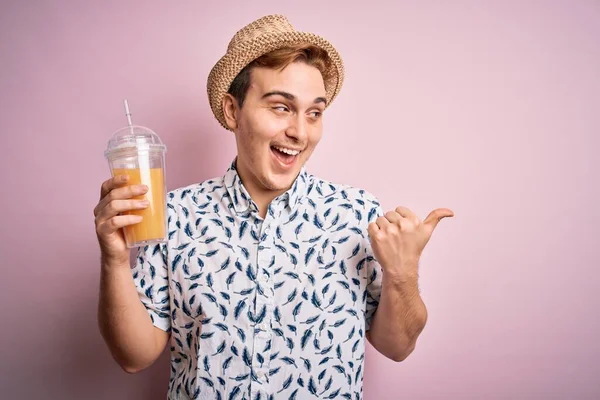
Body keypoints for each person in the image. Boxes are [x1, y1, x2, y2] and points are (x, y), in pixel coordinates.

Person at [94, 14, 453, 400]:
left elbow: (397, 347)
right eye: (281, 107)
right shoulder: (174, 215)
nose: (300, 131)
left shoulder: (357, 214)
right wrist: (114, 260)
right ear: (233, 111)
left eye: (314, 113)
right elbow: (134, 356)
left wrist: (402, 273)